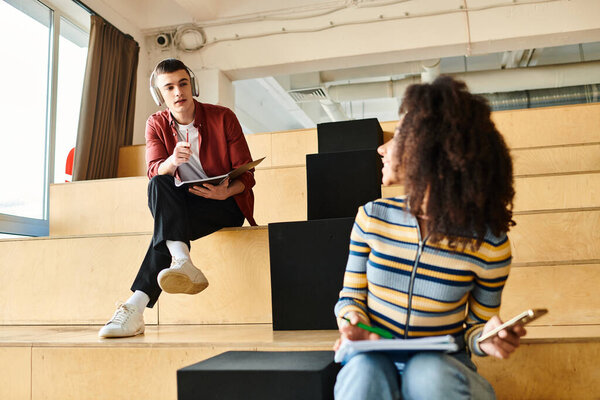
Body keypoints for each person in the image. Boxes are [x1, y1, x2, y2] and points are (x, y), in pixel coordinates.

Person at [333, 76, 525, 399]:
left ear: (428, 150)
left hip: (444, 374)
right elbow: (350, 300)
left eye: (398, 136)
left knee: (427, 373)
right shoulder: (371, 218)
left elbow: (473, 331)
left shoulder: (489, 243)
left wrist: (487, 338)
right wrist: (356, 325)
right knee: (364, 373)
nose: (383, 148)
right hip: (374, 361)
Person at [99, 58, 256, 338]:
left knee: (167, 230)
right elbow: (153, 171)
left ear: (192, 85)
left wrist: (225, 191)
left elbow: (247, 177)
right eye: (169, 87)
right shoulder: (156, 124)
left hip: (225, 203)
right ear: (160, 95)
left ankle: (135, 306)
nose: (178, 92)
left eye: (183, 84)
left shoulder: (223, 117)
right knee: (160, 182)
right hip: (186, 203)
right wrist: (171, 162)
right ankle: (180, 259)